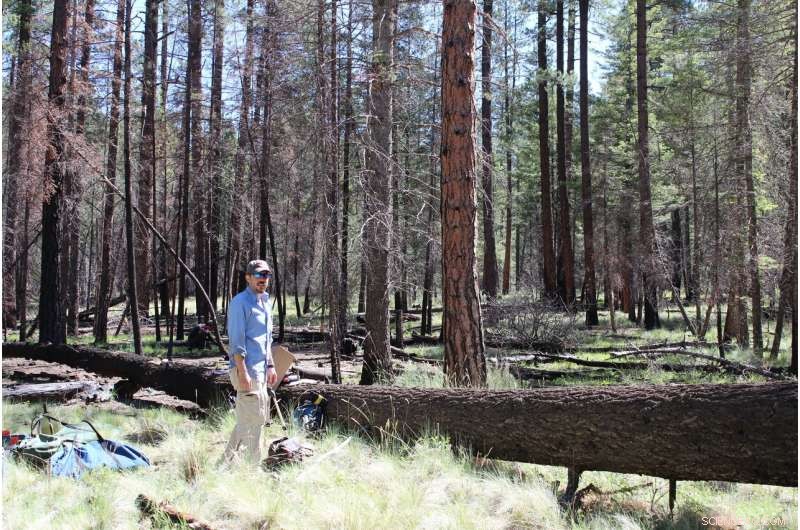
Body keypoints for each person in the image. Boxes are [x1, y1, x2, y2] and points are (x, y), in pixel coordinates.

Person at [223, 259, 278, 463]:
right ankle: (251, 468)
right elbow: (237, 341)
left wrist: (271, 364)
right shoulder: (240, 303)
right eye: (258, 275)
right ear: (248, 277)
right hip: (246, 370)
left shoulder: (264, 302)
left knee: (255, 419)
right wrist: (242, 372)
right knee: (251, 422)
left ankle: (226, 464)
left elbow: (266, 340)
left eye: (266, 275)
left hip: (262, 370)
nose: (262, 279)